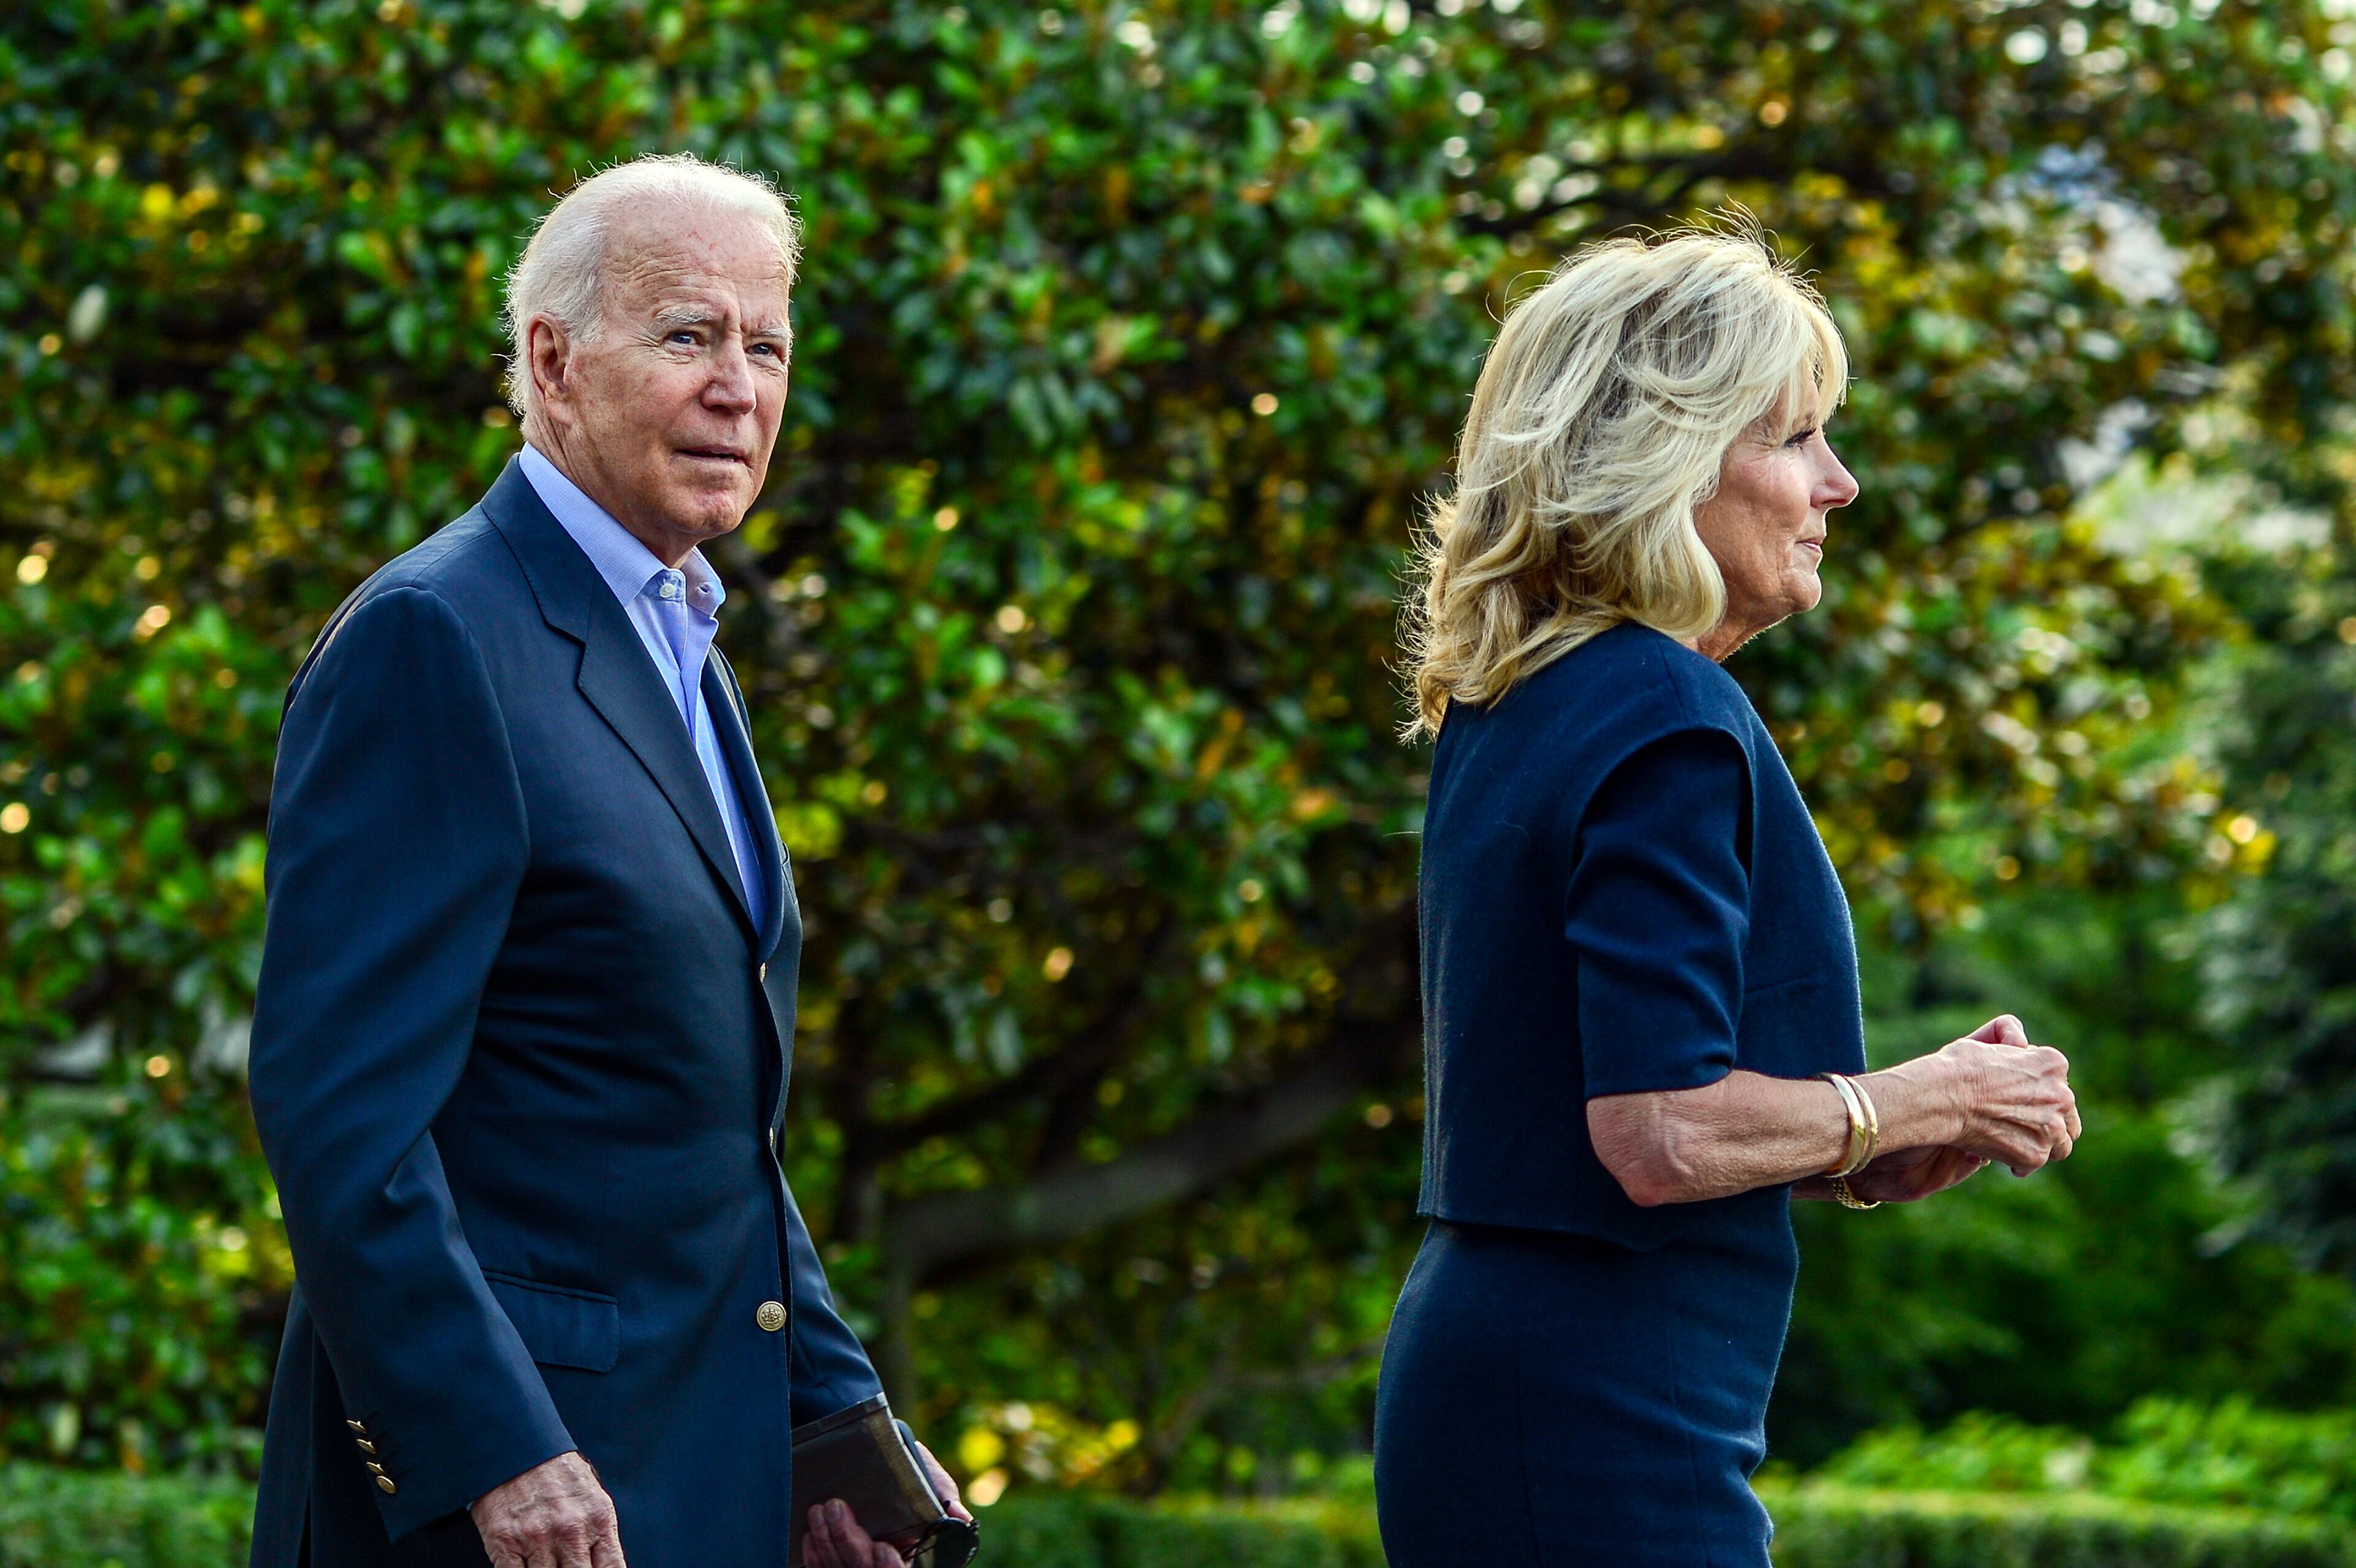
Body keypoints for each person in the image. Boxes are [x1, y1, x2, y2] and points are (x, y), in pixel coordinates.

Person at [246, 154, 968, 1568]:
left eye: (767, 346)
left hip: (691, 1469)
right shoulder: (434, 636)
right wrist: (494, 1448)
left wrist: (833, 1420)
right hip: (513, 1508)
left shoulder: (683, 642)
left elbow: (709, 1126)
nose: (739, 388)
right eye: (690, 336)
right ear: (555, 362)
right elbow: (341, 1122)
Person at [1371, 225, 2084, 1567]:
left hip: (1521, 1379)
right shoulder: (1663, 709)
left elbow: (1607, 1118)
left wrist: (1870, 1146)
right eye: (1798, 438)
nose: (1841, 485)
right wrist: (1925, 1095)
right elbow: (1657, 1135)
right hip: (1595, 1416)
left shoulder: (1541, 694)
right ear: (1669, 457)